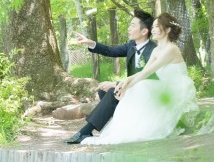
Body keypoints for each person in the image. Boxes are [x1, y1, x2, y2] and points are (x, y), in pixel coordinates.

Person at [81, 13, 198, 145]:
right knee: (134, 87)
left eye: (157, 27)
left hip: (175, 88)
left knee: (140, 87)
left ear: (168, 29)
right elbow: (143, 71)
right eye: (153, 26)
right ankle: (128, 126)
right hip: (163, 86)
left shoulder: (171, 49)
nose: (153, 29)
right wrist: (124, 82)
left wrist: (126, 86)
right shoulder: (157, 50)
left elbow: (148, 72)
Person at [64, 8, 156, 144]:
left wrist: (116, 84)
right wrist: (90, 43)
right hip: (133, 87)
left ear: (144, 31)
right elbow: (110, 50)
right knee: (103, 90)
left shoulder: (153, 50)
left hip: (147, 91)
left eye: (133, 25)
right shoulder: (132, 45)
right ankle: (119, 122)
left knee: (113, 91)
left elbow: (147, 77)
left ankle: (86, 130)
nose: (129, 29)